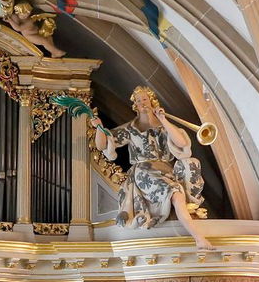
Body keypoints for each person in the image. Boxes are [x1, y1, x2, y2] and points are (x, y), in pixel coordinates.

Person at [91, 85, 212, 246]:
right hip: (144, 172)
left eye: (145, 99)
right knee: (175, 193)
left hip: (166, 170)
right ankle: (198, 237)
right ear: (135, 105)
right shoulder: (130, 129)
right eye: (139, 100)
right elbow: (102, 144)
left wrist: (163, 119)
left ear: (152, 101)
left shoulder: (163, 127)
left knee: (191, 165)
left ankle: (194, 226)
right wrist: (98, 126)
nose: (142, 103)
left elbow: (182, 143)